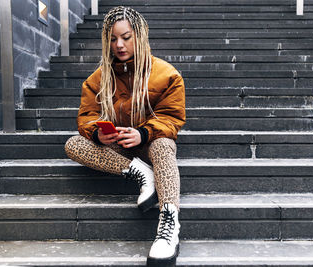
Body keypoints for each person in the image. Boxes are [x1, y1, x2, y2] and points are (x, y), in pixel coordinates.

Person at [64, 6, 185, 266]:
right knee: (73, 144)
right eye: (113, 39)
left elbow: (171, 118)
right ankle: (142, 173)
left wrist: (143, 133)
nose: (119, 45)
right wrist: (98, 134)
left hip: (150, 142)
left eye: (126, 37)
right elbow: (86, 117)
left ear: (139, 37)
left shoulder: (167, 75)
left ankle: (169, 223)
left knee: (164, 144)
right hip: (118, 148)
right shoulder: (97, 79)